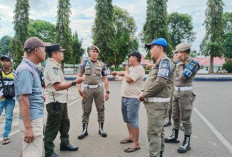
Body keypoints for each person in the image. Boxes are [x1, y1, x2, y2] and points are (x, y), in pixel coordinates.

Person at [43, 44, 85, 157]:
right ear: (54, 53)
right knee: (52, 126)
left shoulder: (55, 65)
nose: (63, 54)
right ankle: (49, 151)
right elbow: (57, 86)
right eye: (61, 52)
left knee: (64, 123)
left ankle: (64, 143)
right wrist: (75, 82)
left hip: (60, 100)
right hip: (55, 102)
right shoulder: (53, 66)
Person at [138, 38, 175, 157]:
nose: (150, 51)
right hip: (155, 106)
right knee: (159, 132)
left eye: (152, 47)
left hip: (157, 106)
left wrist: (144, 94)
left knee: (153, 134)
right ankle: (160, 154)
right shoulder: (159, 63)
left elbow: (160, 82)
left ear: (160, 48)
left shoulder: (164, 62)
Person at [164, 43, 199, 153]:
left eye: (178, 52)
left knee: (185, 120)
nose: (176, 54)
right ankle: (175, 136)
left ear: (183, 53)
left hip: (185, 95)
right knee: (175, 116)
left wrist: (178, 65)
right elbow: (172, 76)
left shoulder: (193, 63)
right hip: (176, 93)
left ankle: (187, 142)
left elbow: (183, 77)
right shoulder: (180, 63)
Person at [14, 37, 46, 157]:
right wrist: (28, 127)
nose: (45, 52)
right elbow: (23, 99)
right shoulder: (25, 70)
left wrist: (39, 95)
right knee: (32, 153)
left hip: (34, 116)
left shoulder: (32, 69)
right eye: (43, 49)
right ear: (36, 51)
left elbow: (29, 94)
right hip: (31, 120)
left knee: (28, 151)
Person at [112, 51, 145, 153]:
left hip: (133, 99)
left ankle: (136, 143)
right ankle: (131, 137)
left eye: (129, 57)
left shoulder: (139, 69)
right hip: (125, 97)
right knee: (127, 119)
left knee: (133, 120)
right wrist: (117, 72)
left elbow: (129, 79)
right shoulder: (131, 68)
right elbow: (125, 73)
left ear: (134, 58)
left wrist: (126, 71)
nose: (128, 59)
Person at [77, 45, 109, 139]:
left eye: (97, 52)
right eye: (93, 51)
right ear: (90, 52)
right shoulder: (84, 64)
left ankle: (101, 129)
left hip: (99, 89)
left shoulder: (102, 64)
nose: (95, 53)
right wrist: (79, 88)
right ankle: (84, 130)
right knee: (86, 110)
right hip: (87, 89)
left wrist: (108, 91)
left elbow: (105, 79)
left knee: (101, 109)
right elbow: (79, 76)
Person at [0, 54, 15, 145]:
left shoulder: (15, 73)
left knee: (8, 118)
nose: (4, 62)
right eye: (3, 60)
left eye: (7, 60)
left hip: (10, 100)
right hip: (0, 99)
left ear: (11, 63)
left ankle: (6, 136)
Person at [164, 50, 178, 127]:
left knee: (179, 107)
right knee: (169, 105)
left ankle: (181, 123)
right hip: (171, 88)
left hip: (178, 88)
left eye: (176, 54)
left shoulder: (182, 64)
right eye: (174, 54)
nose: (175, 56)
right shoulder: (170, 63)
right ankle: (168, 120)